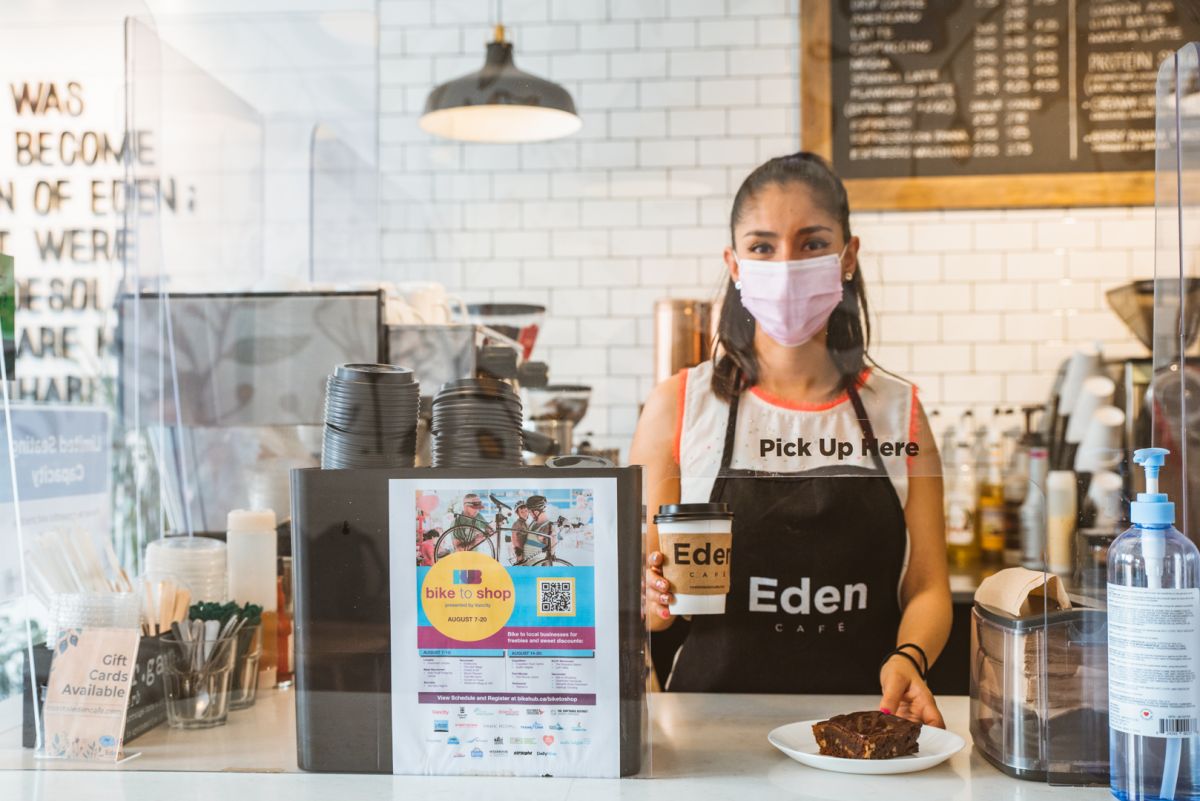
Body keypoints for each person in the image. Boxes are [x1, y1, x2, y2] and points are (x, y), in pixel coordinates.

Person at [630, 152, 951, 727]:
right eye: (762, 247)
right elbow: (654, 603)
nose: (785, 264)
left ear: (847, 257)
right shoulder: (678, 406)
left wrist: (910, 657)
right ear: (733, 263)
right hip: (709, 736)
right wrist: (650, 598)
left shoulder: (900, 413)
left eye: (811, 243)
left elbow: (927, 586)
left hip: (861, 730)